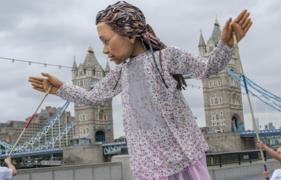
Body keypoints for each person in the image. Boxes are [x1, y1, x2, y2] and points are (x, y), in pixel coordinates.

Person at [28, 1, 252, 179]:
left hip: (182, 157)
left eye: (106, 41)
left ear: (129, 33)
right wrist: (61, 89)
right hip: (148, 163)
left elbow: (207, 68)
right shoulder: (120, 73)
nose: (105, 50)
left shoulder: (167, 57)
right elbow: (93, 96)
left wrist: (225, 45)